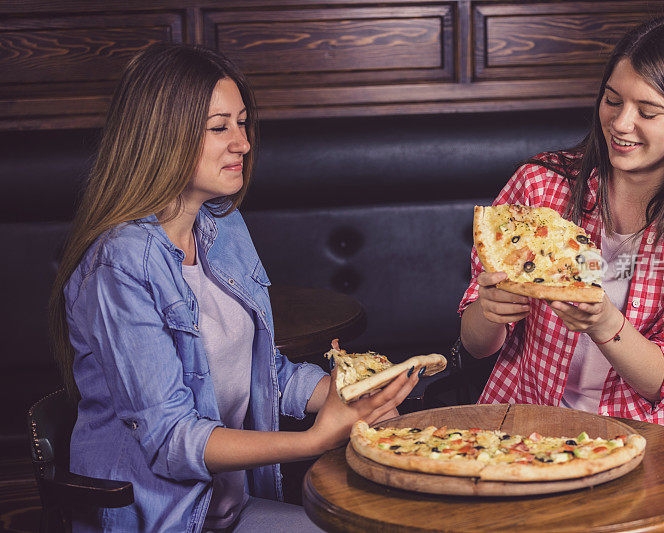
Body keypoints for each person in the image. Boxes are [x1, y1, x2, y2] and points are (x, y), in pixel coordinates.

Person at [48, 43, 420, 532]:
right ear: (162, 137)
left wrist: (358, 392)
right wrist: (313, 440)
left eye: (242, 123)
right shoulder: (120, 263)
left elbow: (263, 372)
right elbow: (170, 440)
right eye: (219, 127)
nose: (242, 143)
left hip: (229, 511)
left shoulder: (222, 225)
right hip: (166, 521)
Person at [459, 16, 664, 431]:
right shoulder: (540, 186)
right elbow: (475, 346)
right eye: (613, 101)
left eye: (647, 112)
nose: (620, 123)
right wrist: (489, 312)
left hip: (640, 435)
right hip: (522, 419)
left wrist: (605, 322)